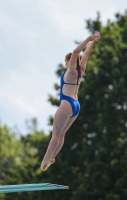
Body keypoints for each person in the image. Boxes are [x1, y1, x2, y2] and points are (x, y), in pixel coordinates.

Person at [41, 32, 100, 171]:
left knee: (55, 134)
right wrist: (93, 42)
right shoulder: (81, 71)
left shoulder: (71, 71)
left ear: (69, 61)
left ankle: (46, 157)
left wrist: (89, 39)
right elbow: (85, 54)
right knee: (61, 135)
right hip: (76, 106)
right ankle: (52, 156)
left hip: (67, 103)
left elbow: (76, 53)